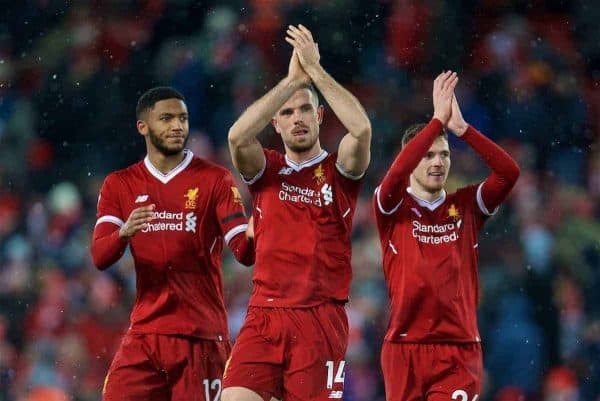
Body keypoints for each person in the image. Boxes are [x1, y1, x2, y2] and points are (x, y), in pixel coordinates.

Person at [221, 24, 371, 401]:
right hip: (264, 315)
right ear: (276, 122)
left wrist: (314, 71)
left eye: (306, 109)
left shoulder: (340, 171)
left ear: (320, 115)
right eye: (287, 113)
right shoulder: (267, 169)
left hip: (319, 319)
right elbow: (238, 138)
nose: (298, 118)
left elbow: (362, 129)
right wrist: (291, 83)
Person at [90, 86, 255, 401]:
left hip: (201, 337)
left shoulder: (215, 180)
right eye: (166, 118)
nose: (177, 126)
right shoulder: (120, 184)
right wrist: (123, 233)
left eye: (183, 118)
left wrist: (258, 227)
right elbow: (100, 256)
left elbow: (244, 253)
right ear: (143, 126)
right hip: (146, 334)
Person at [373, 71, 520, 401]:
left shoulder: (467, 205)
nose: (438, 162)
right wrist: (435, 122)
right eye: (427, 155)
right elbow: (395, 174)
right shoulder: (390, 207)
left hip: (458, 349)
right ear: (411, 159)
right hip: (403, 348)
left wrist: (462, 131)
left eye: (444, 154)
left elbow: (509, 173)